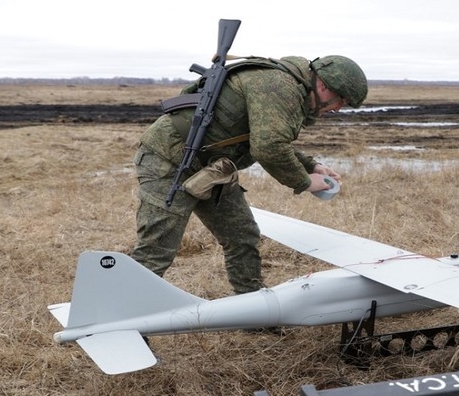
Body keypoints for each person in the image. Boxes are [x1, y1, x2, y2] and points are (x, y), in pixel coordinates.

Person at [131, 55, 368, 296]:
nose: (338, 108)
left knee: (242, 235)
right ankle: (117, 318)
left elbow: (268, 134)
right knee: (156, 250)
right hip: (169, 160)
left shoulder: (289, 85)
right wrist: (305, 182)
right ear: (323, 85)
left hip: (212, 169)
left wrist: (311, 166)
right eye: (340, 100)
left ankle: (253, 303)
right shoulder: (279, 86)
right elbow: (268, 146)